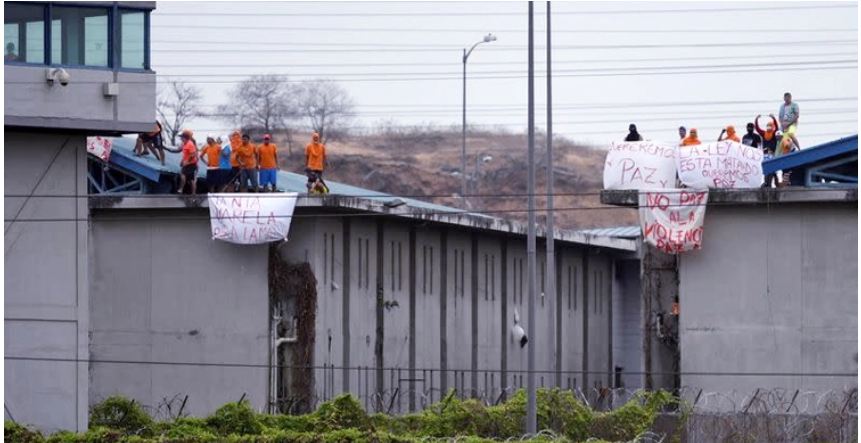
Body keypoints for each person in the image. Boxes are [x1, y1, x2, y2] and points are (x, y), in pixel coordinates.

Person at [178, 129, 198, 195]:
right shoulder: (185, 144)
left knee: (184, 175)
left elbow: (193, 154)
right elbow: (185, 155)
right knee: (190, 178)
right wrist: (182, 161)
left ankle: (182, 189)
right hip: (187, 163)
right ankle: (188, 191)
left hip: (191, 164)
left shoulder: (190, 144)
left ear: (185, 138)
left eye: (182, 137)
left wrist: (187, 161)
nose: (181, 139)